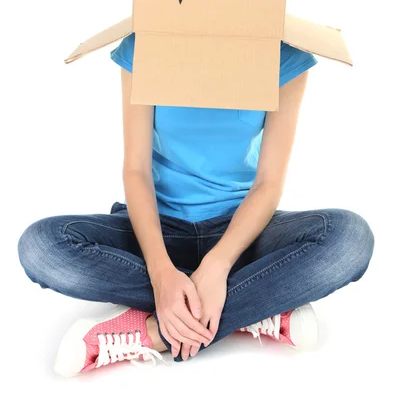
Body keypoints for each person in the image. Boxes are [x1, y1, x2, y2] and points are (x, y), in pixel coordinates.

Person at [17, 34, 375, 377]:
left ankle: (151, 333)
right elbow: (135, 170)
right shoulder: (145, 46)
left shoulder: (284, 56)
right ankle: (251, 306)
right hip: (157, 229)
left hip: (240, 233)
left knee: (349, 237)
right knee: (42, 246)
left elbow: (268, 183)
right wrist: (160, 273)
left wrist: (217, 267)